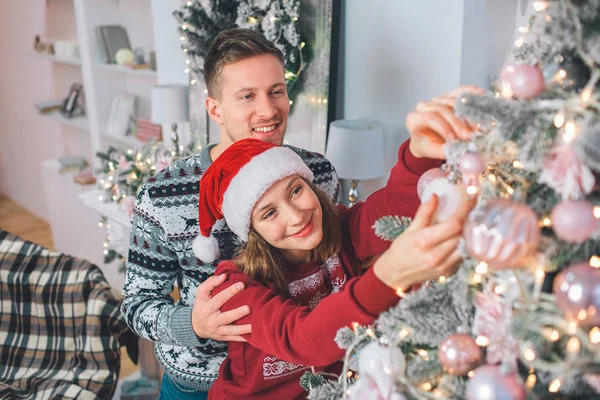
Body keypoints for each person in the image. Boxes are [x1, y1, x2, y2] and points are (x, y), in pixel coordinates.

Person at [120, 26, 482, 399]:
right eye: (247, 96)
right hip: (201, 383)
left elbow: (375, 220)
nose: (268, 110)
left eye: (276, 91)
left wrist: (419, 153)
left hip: (315, 380)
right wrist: (193, 323)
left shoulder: (317, 172)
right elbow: (135, 305)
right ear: (215, 108)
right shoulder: (163, 194)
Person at [192, 136, 472, 399]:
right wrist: (385, 277)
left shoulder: (342, 231)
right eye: (270, 213)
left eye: (296, 191)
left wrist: (419, 155)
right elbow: (303, 339)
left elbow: (394, 203)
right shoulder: (235, 286)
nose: (296, 216)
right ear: (252, 230)